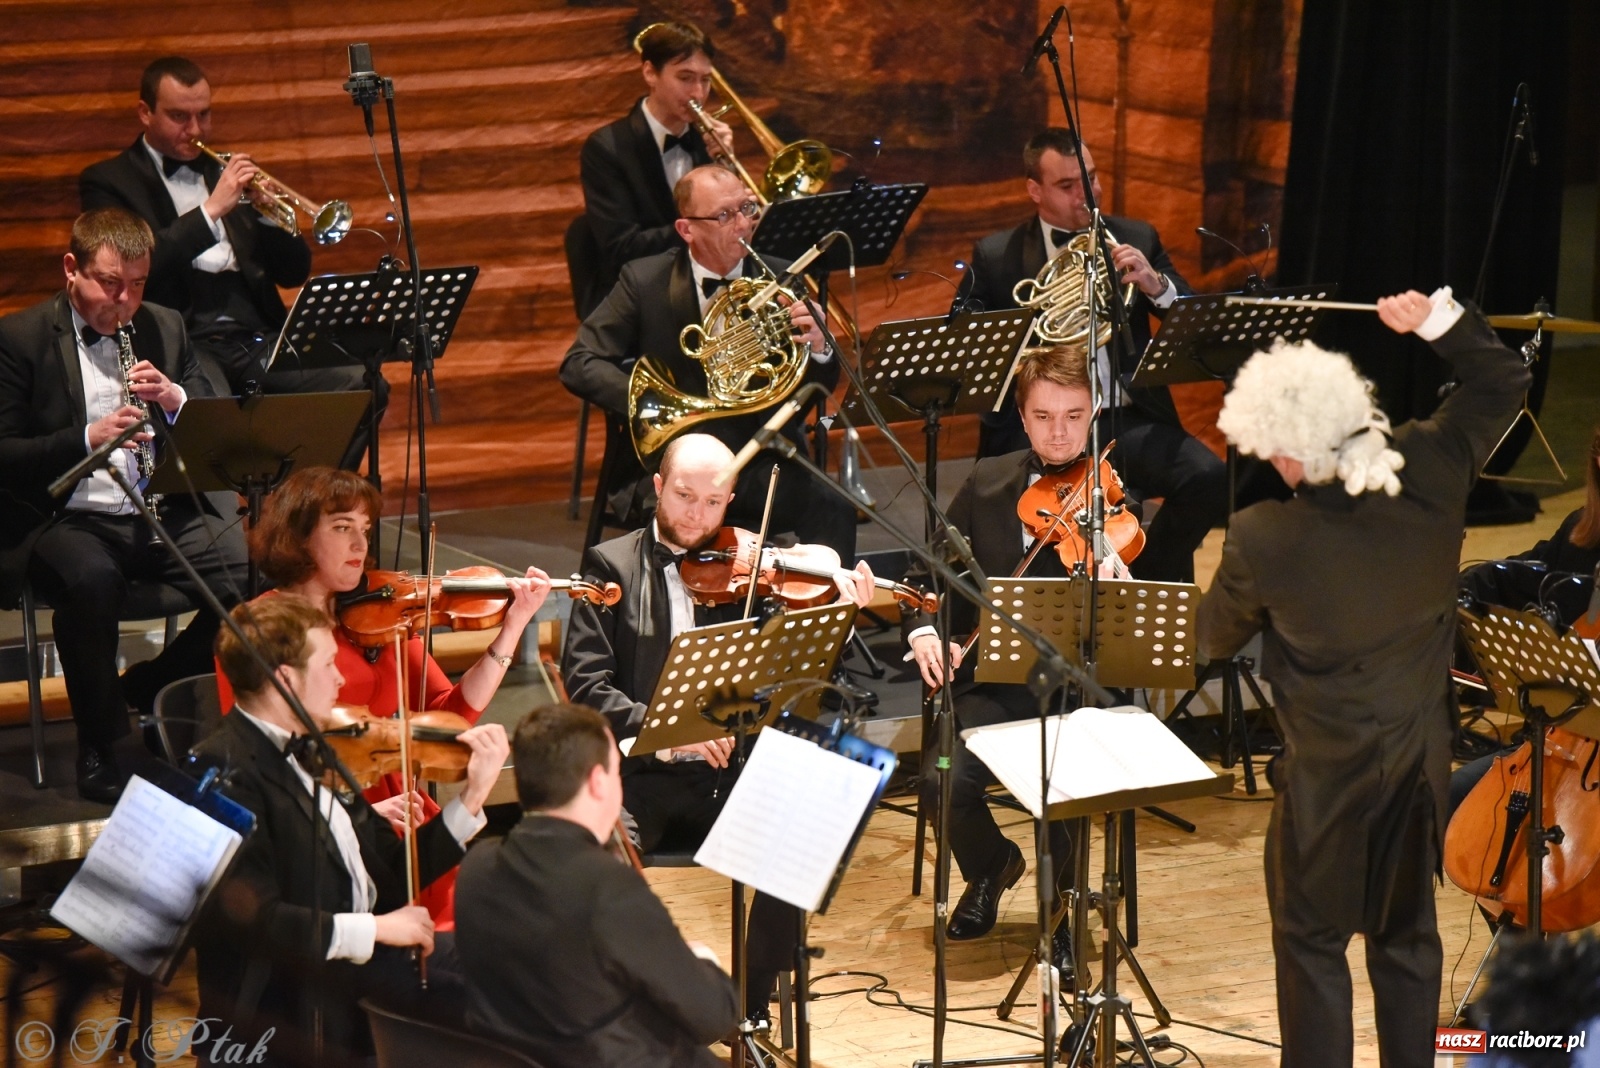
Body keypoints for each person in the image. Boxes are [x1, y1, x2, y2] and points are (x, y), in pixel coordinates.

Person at [1195, 289, 1529, 1068]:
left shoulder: (1262, 534)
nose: (1272, 462)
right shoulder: (1433, 465)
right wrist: (1438, 326)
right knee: (1408, 943)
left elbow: (1209, 638)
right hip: (1417, 773)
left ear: (1293, 445)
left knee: (1311, 947)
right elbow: (1505, 384)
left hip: (1322, 790)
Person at [561, 432, 874, 1024]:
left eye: (712, 502)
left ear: (730, 501)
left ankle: (751, 1001)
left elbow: (796, 681)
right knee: (604, 845)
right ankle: (631, 1005)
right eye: (683, 496)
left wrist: (840, 616)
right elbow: (587, 684)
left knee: (808, 812)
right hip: (642, 778)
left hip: (726, 772)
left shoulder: (749, 568)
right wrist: (665, 727)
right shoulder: (611, 565)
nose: (696, 515)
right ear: (658, 487)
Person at [215, 464, 551, 926]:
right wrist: (351, 814)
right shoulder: (260, 629)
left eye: (365, 530)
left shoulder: (381, 612)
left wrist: (511, 628)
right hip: (321, 818)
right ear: (298, 537)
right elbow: (255, 756)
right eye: (341, 528)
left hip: (402, 806)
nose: (360, 545)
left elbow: (449, 716)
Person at [192, 593, 510, 1067]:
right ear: (285, 680)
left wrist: (471, 800)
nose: (342, 678)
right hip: (298, 998)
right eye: (328, 665)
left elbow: (388, 872)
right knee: (503, 1005)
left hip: (359, 956)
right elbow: (257, 923)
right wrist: (377, 929)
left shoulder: (320, 748)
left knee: (517, 964)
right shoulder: (226, 770)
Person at [0, 207, 247, 803]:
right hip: (67, 515)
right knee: (90, 581)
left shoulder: (164, 325)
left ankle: (147, 688)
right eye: (110, 283)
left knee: (252, 577)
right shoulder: (20, 338)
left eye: (137, 284)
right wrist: (89, 436)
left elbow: (216, 421)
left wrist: (175, 400)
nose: (125, 300)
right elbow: (4, 453)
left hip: (156, 508)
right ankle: (103, 746)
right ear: (71, 269)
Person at [902, 344, 1103, 972]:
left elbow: (1120, 607)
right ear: (1023, 418)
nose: (1061, 432)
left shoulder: (1108, 494)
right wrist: (924, 632)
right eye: (1045, 417)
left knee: (1061, 790)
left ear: (1094, 411)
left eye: (1073, 415)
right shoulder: (988, 481)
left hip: (1072, 689)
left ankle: (1065, 916)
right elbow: (923, 573)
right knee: (939, 782)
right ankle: (991, 867)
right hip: (988, 680)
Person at [954, 127, 1227, 582]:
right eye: (1068, 186)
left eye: (1093, 179)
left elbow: (1194, 322)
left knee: (1209, 478)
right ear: (1034, 191)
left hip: (1127, 418)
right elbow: (966, 344)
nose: (1088, 195)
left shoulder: (1136, 235)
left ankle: (1148, 577)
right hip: (1045, 425)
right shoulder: (997, 255)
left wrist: (1156, 286)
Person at [79, 56, 378, 469]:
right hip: (184, 335)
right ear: (145, 113)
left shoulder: (227, 171)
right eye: (180, 116)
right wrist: (211, 210)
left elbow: (293, 272)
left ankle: (308, 508)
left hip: (255, 332)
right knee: (209, 412)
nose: (196, 130)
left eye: (204, 115)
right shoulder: (108, 181)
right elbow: (134, 262)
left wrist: (264, 214)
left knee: (359, 382)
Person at [561, 163, 855, 559]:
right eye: (723, 215)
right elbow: (579, 362)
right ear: (687, 230)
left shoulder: (781, 278)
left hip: (759, 456)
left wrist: (819, 346)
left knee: (834, 506)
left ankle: (825, 617)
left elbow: (816, 385)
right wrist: (653, 402)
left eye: (747, 209)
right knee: (688, 520)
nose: (742, 225)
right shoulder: (645, 280)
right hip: (674, 461)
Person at [457, 702, 738, 1067]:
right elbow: (714, 1016)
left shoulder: (476, 867)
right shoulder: (611, 888)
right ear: (598, 782)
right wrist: (702, 958)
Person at [579, 21, 722, 287]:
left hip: (706, 285)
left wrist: (725, 169)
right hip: (644, 294)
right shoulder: (607, 148)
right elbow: (622, 248)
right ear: (650, 73)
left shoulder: (707, 142)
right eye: (685, 78)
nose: (698, 93)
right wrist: (702, 227)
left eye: (705, 80)